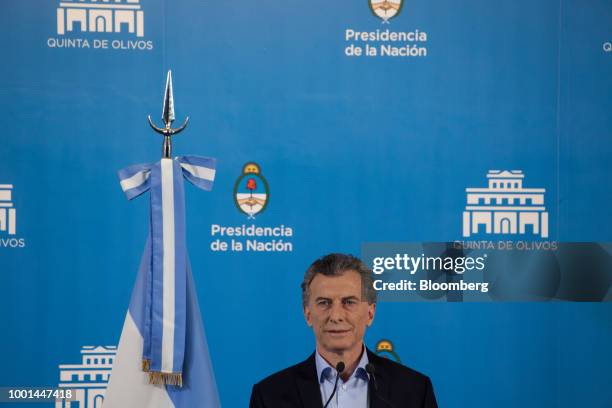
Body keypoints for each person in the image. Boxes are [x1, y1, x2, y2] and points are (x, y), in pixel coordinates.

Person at [250, 253, 438, 408]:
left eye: (349, 302)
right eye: (324, 303)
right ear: (308, 314)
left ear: (370, 313)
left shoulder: (414, 390)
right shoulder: (269, 395)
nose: (336, 316)